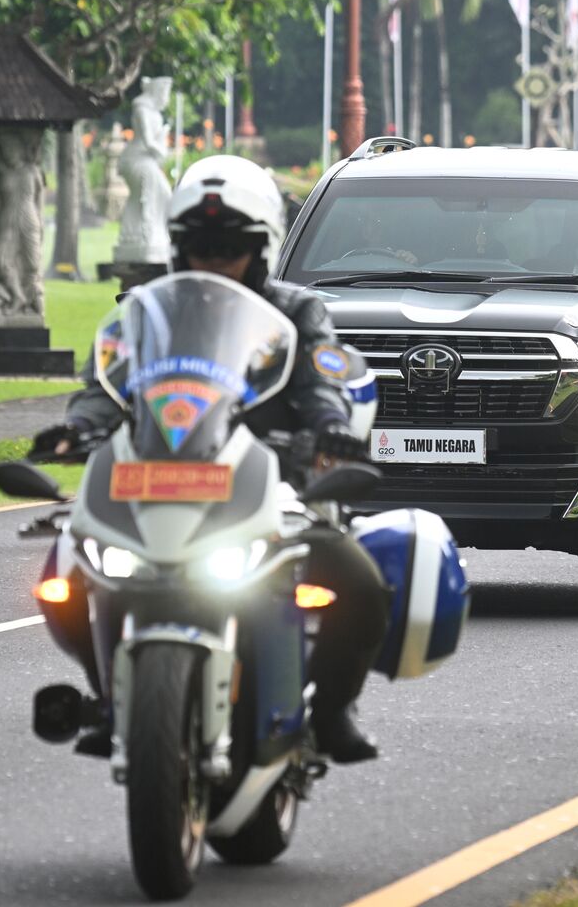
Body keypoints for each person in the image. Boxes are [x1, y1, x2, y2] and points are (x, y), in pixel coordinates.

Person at [33, 155, 389, 764]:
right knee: (63, 573)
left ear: (262, 247)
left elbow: (319, 380)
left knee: (361, 584)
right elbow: (105, 381)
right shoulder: (142, 308)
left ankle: (329, 712)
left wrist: (329, 428)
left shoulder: (298, 311)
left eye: (232, 245)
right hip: (156, 477)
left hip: (271, 478)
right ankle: (109, 701)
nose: (215, 257)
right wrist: (79, 428)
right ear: (179, 246)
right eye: (201, 244)